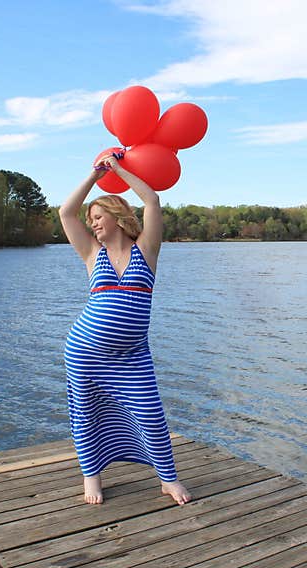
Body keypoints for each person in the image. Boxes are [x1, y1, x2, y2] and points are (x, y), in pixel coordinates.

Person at [59, 152, 191, 506]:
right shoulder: (91, 254)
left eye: (99, 217)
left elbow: (152, 200)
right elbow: (65, 213)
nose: (93, 224)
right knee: (86, 413)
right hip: (85, 353)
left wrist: (117, 169)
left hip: (132, 357)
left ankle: (167, 479)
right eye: (92, 220)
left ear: (117, 217)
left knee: (150, 413)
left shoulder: (146, 251)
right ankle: (92, 478)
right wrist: (93, 176)